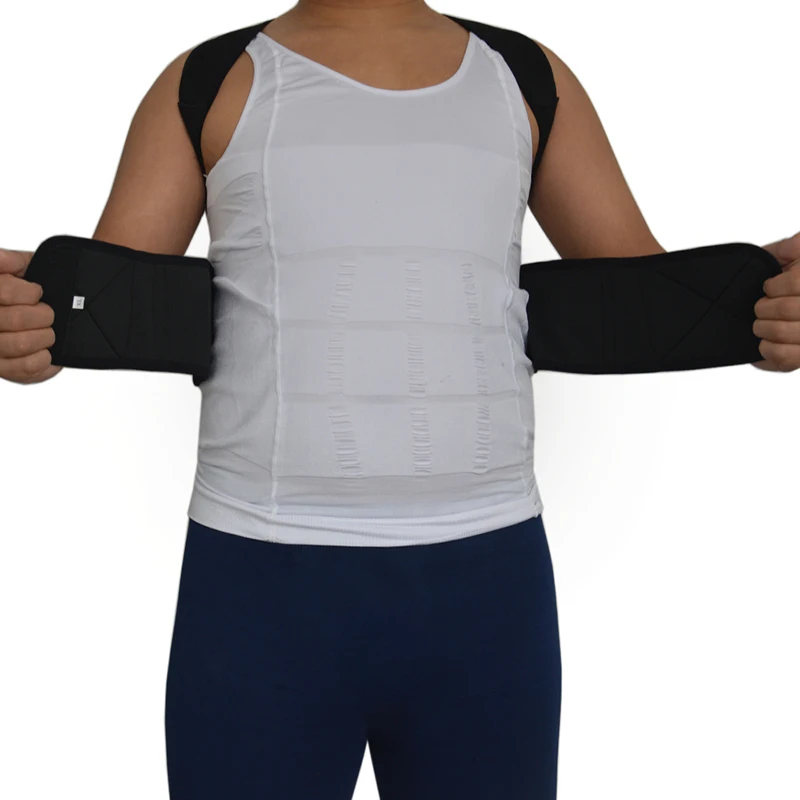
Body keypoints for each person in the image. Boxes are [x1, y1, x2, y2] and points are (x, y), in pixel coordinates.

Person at [1, 2, 798, 798]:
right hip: (260, 587)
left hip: (485, 589)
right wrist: (30, 329)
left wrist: (761, 307)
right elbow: (109, 309)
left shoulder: (525, 78)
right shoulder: (209, 81)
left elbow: (646, 302)